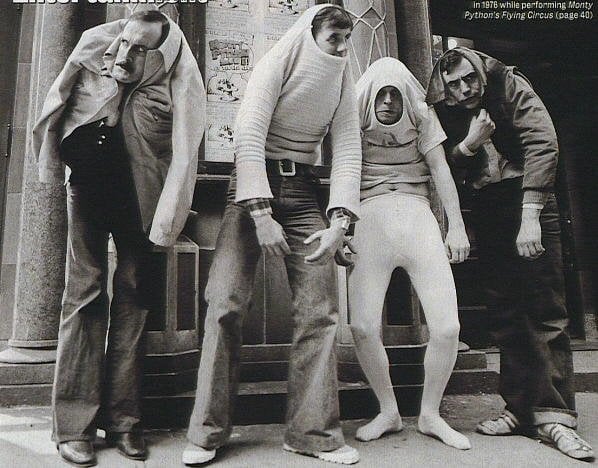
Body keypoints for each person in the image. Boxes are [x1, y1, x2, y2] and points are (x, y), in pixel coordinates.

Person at [182, 4, 362, 466]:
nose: (342, 48)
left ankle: (312, 434)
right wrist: (261, 215)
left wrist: (339, 224)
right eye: (334, 38)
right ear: (311, 35)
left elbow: (347, 146)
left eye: (347, 39)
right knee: (224, 302)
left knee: (320, 311)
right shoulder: (276, 62)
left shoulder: (343, 75)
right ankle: (206, 433)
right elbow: (247, 133)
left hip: (303, 191)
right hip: (249, 188)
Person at [32, 9, 205, 467]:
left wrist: (167, 218)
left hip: (143, 197)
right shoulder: (98, 44)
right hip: (90, 186)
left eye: (139, 49)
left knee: (135, 298)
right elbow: (60, 102)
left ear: (160, 52)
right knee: (84, 293)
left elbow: (185, 149)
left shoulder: (181, 75)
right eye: (125, 42)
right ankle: (74, 427)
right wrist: (64, 158)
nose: (125, 55)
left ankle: (125, 421)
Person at [426, 46, 594, 461]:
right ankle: (519, 408)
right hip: (489, 204)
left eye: (469, 79)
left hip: (527, 199)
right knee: (505, 310)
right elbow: (441, 163)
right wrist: (469, 145)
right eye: (454, 85)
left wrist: (531, 214)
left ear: (479, 71)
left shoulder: (508, 82)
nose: (464, 90)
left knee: (544, 308)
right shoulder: (444, 107)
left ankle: (555, 415)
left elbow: (542, 141)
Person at [348, 57, 471, 450]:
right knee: (362, 326)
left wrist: (456, 226)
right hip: (368, 216)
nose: (387, 101)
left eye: (394, 94)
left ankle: (430, 414)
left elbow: (440, 170)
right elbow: (341, 172)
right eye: (381, 94)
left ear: (405, 96)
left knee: (447, 327)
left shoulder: (422, 114)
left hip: (418, 214)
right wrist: (340, 227)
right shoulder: (352, 113)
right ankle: (388, 411)